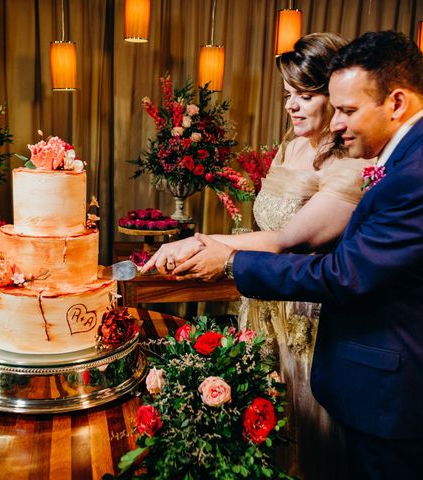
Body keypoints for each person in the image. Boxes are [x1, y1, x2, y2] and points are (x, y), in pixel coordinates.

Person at [166, 30, 423, 480]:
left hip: (398, 389)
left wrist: (232, 262)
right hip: (412, 370)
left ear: (396, 102)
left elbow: (345, 275)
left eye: (348, 110)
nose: (336, 123)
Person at [143, 33, 372, 479]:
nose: (292, 106)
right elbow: (263, 231)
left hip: (308, 315)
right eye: (288, 94)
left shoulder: (349, 165)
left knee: (303, 431)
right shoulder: (290, 148)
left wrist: (202, 242)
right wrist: (206, 246)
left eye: (305, 95)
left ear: (337, 95)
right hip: (263, 307)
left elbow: (287, 240)